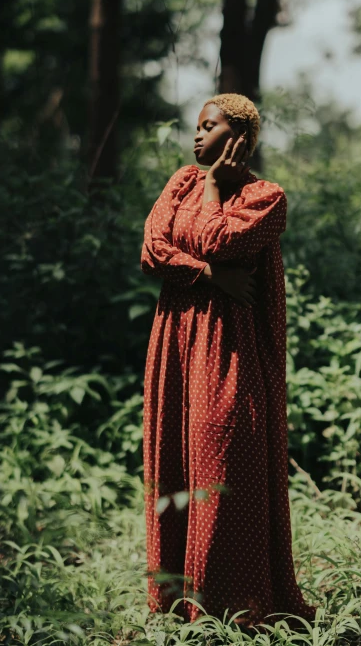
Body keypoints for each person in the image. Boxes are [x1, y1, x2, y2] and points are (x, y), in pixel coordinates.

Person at [140, 93, 317, 630]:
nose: (196, 136)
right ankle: (176, 604)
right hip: (175, 345)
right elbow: (152, 251)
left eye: (209, 126)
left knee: (225, 464)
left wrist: (216, 190)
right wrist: (211, 275)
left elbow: (218, 238)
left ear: (240, 137)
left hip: (230, 351)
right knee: (174, 460)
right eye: (196, 126)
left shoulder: (266, 198)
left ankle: (232, 609)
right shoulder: (180, 182)